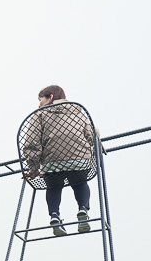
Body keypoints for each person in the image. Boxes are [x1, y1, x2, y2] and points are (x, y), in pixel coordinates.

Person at [21, 85, 95, 236]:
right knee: (80, 182)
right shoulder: (77, 111)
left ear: (50, 98)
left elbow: (31, 143)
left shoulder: (39, 114)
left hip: (52, 164)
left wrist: (34, 168)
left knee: (53, 187)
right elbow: (90, 135)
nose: (39, 104)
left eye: (40, 99)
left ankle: (54, 215)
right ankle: (83, 210)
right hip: (80, 161)